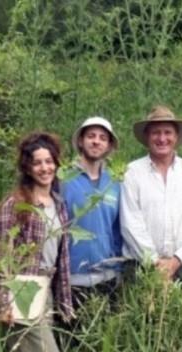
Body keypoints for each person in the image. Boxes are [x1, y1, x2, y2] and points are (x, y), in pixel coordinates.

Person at [0, 132, 73, 352]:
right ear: (27, 167)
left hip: (46, 290)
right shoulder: (16, 204)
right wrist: (1, 301)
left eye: (49, 161)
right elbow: (0, 254)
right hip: (21, 289)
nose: (45, 168)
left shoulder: (58, 203)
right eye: (38, 163)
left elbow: (60, 256)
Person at [120, 105, 182, 317]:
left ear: (177, 137)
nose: (162, 138)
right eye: (156, 132)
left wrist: (176, 260)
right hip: (142, 267)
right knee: (143, 328)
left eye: (168, 132)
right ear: (147, 136)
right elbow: (130, 222)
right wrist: (155, 263)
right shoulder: (131, 173)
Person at [63, 116, 123, 309]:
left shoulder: (115, 183)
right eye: (91, 136)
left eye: (103, 138)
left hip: (108, 278)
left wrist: (118, 268)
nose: (96, 141)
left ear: (109, 145)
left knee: (106, 338)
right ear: (81, 141)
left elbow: (118, 230)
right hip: (72, 279)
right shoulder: (63, 179)